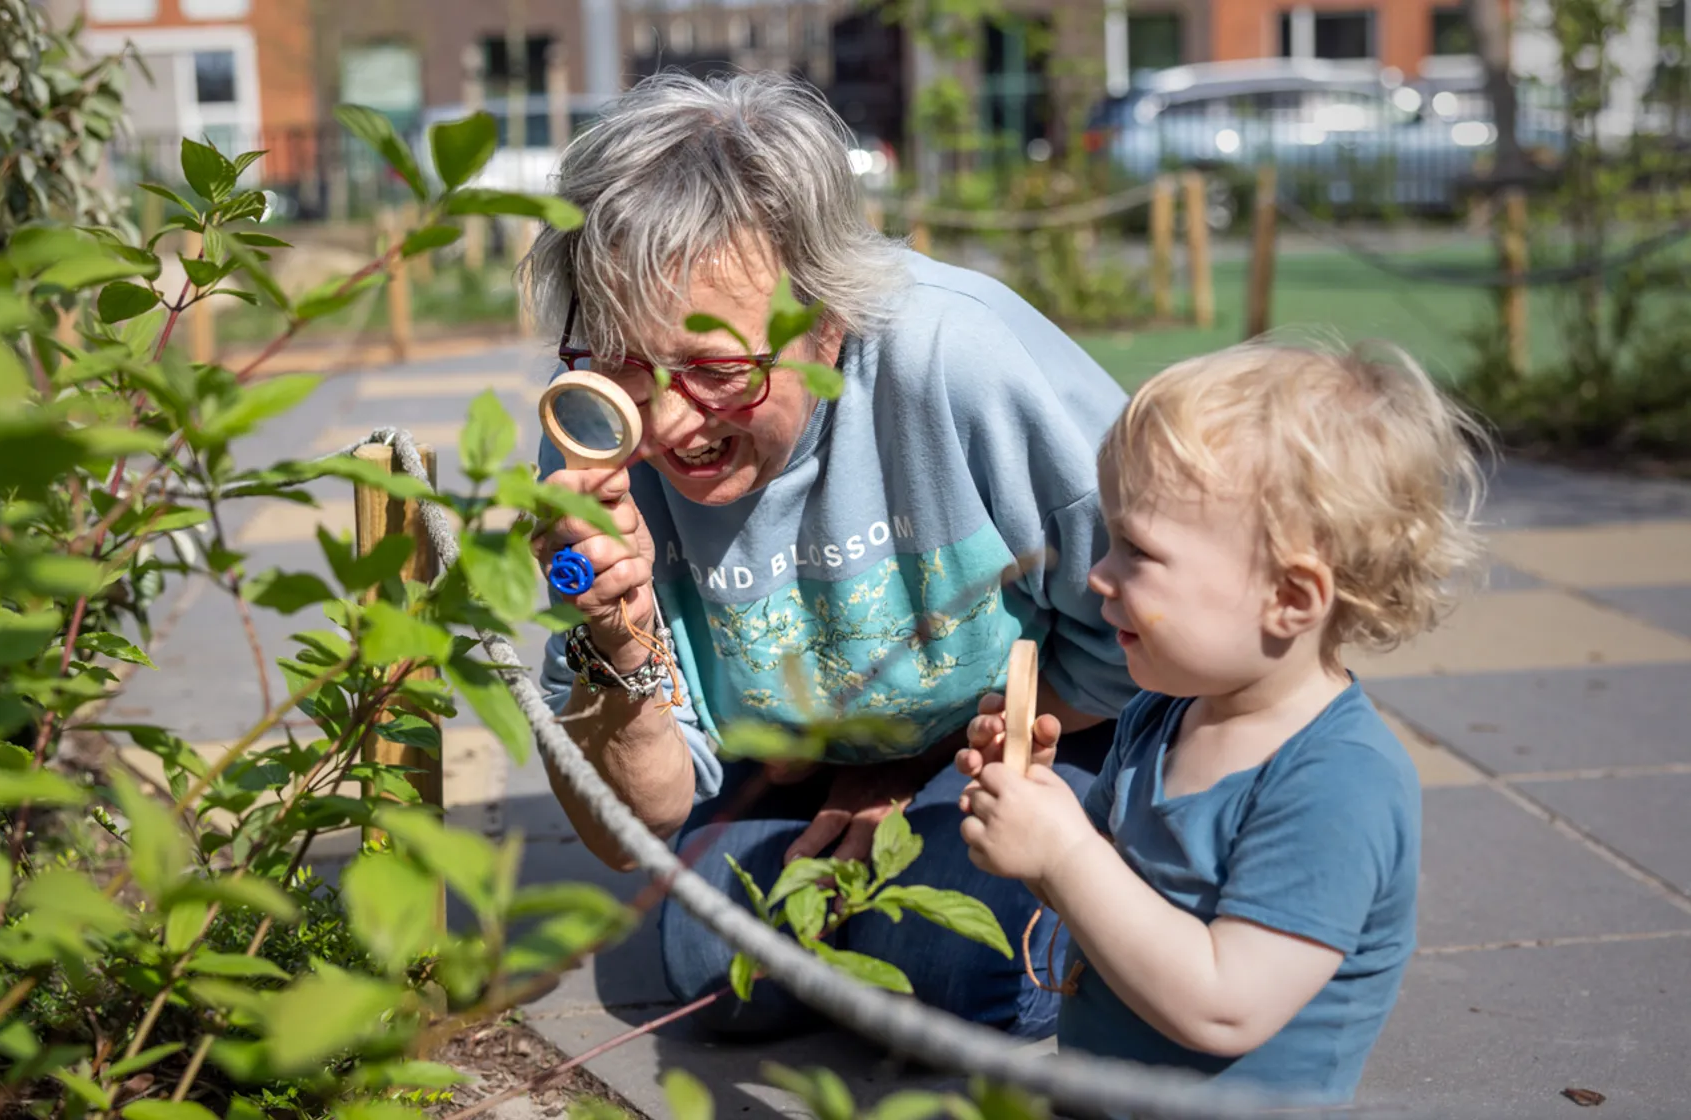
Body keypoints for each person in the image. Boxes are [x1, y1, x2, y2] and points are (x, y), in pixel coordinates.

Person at [522, 69, 1137, 1040]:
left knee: (968, 966)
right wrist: (613, 629)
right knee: (711, 970)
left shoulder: (955, 358)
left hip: (1047, 721)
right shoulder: (594, 430)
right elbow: (620, 824)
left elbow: (1153, 618)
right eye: (622, 357)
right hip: (798, 762)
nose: (666, 423)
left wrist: (918, 766)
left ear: (827, 318)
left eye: (718, 369)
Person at [956, 340, 1484, 1101]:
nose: (1099, 574)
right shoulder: (1160, 717)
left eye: (1137, 551)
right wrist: (1033, 819)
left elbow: (1224, 1008)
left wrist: (1067, 853)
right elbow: (1106, 906)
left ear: (1292, 598)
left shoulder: (1339, 783)